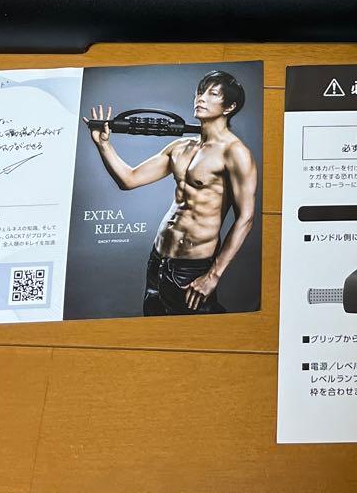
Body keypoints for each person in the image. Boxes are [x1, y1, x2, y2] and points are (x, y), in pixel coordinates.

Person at [85, 70, 257, 315]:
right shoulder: (180, 147)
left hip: (192, 269)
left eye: (212, 94)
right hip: (158, 261)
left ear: (229, 107)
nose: (201, 98)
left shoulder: (235, 152)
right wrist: (104, 145)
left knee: (196, 335)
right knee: (155, 330)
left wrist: (213, 276)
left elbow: (246, 218)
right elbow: (129, 179)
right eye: (200, 92)